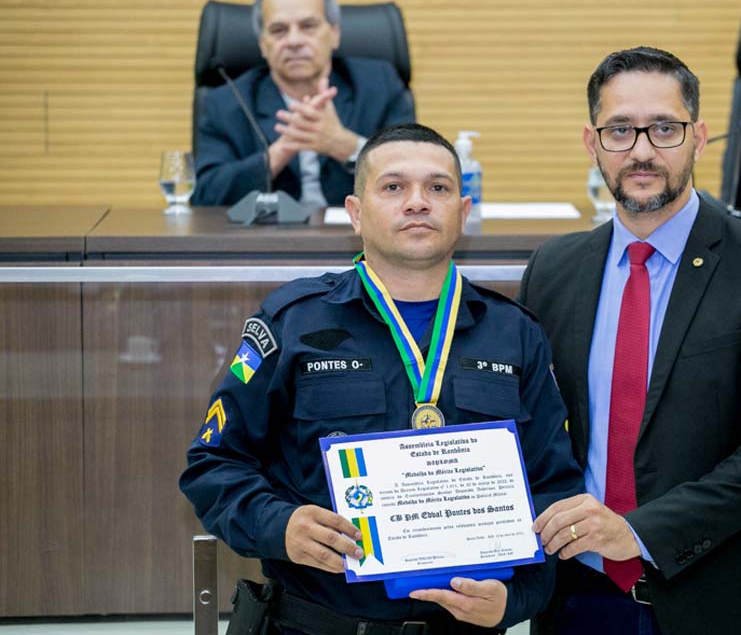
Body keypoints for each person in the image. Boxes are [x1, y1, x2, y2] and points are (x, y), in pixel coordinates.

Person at [180, 123, 582, 635]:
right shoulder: (294, 321)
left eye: (438, 188)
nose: (417, 202)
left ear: (463, 211)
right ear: (355, 212)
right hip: (315, 624)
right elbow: (212, 465)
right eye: (393, 187)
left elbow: (555, 488)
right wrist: (280, 527)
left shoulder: (516, 335)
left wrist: (516, 599)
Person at [517, 46, 741, 635]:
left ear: (699, 137)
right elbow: (528, 431)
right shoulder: (552, 270)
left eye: (664, 128)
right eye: (619, 130)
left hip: (725, 600)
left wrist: (636, 531)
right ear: (592, 143)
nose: (640, 150)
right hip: (578, 600)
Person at [192, 0, 415, 208]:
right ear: (262, 44)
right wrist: (278, 153)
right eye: (279, 30)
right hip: (267, 243)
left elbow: (414, 173)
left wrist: (347, 146)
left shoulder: (378, 85)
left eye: (308, 26)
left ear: (334, 34)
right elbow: (204, 197)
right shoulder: (227, 102)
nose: (294, 41)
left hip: (358, 239)